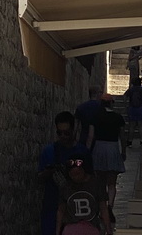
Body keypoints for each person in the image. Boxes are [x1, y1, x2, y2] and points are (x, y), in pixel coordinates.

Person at [38, 112, 90, 235]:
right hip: (53, 204)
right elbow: (39, 177)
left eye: (66, 133)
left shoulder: (83, 152)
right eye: (59, 133)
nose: (63, 136)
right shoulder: (49, 151)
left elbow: (90, 178)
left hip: (77, 208)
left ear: (73, 130)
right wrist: (49, 172)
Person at [90, 93, 127, 222]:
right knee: (112, 183)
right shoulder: (118, 117)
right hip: (112, 148)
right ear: (112, 103)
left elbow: (91, 136)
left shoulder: (95, 117)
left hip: (99, 148)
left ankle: (101, 208)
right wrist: (124, 151)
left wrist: (88, 151)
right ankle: (110, 206)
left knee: (99, 182)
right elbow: (122, 136)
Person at [56, 155, 112, 235]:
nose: (75, 177)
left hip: (91, 228)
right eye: (72, 175)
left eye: (78, 174)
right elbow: (61, 211)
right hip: (71, 229)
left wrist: (109, 230)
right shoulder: (65, 187)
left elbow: (103, 208)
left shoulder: (96, 184)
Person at [123, 72, 142, 145]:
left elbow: (125, 96)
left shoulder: (131, 89)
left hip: (132, 108)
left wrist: (126, 104)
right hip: (141, 108)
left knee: (132, 125)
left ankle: (129, 140)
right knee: (141, 125)